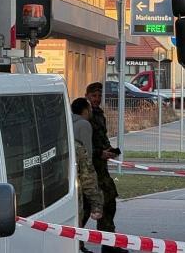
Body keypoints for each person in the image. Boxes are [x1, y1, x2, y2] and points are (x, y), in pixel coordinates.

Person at [85, 82, 125, 253]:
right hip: (88, 169)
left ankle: (109, 243)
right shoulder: (82, 115)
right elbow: (81, 145)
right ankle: (75, 242)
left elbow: (102, 137)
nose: (97, 99)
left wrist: (109, 150)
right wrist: (99, 153)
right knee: (86, 207)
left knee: (108, 203)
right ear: (87, 96)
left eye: (99, 96)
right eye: (94, 96)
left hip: (101, 168)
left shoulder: (99, 114)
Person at [72, 98, 103, 253]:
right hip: (79, 179)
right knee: (78, 216)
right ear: (85, 110)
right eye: (89, 109)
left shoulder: (65, 120)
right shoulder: (84, 125)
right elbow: (87, 156)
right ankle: (78, 246)